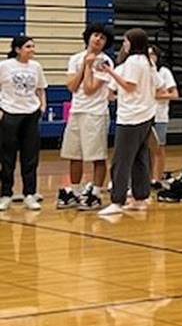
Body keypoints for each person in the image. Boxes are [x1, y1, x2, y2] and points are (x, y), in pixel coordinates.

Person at [98, 28, 157, 216]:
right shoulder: (149, 62)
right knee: (140, 159)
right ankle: (140, 197)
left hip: (131, 117)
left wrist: (110, 72)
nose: (124, 44)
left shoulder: (132, 62)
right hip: (147, 114)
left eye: (126, 41)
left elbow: (129, 86)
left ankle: (117, 200)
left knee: (121, 160)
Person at [58, 24, 111, 208]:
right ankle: (75, 190)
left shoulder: (105, 62)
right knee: (74, 154)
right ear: (88, 37)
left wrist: (90, 66)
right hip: (77, 111)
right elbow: (72, 86)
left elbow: (89, 89)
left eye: (102, 38)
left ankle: (95, 193)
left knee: (97, 155)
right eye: (96, 35)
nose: (98, 39)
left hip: (95, 112)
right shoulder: (75, 58)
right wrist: (83, 65)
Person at [0, 34, 47, 210]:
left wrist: (42, 107)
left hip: (31, 114)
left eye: (33, 46)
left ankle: (29, 193)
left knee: (30, 157)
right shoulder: (4, 66)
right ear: (17, 49)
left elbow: (41, 88)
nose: (32, 50)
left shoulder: (36, 66)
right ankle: (6, 194)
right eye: (28, 47)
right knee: (7, 157)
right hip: (10, 113)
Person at [148, 46, 179, 181]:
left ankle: (157, 178)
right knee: (145, 150)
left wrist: (155, 96)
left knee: (159, 148)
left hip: (160, 115)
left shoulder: (164, 72)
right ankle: (146, 179)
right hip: (144, 115)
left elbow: (174, 94)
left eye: (152, 54)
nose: (150, 57)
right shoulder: (142, 71)